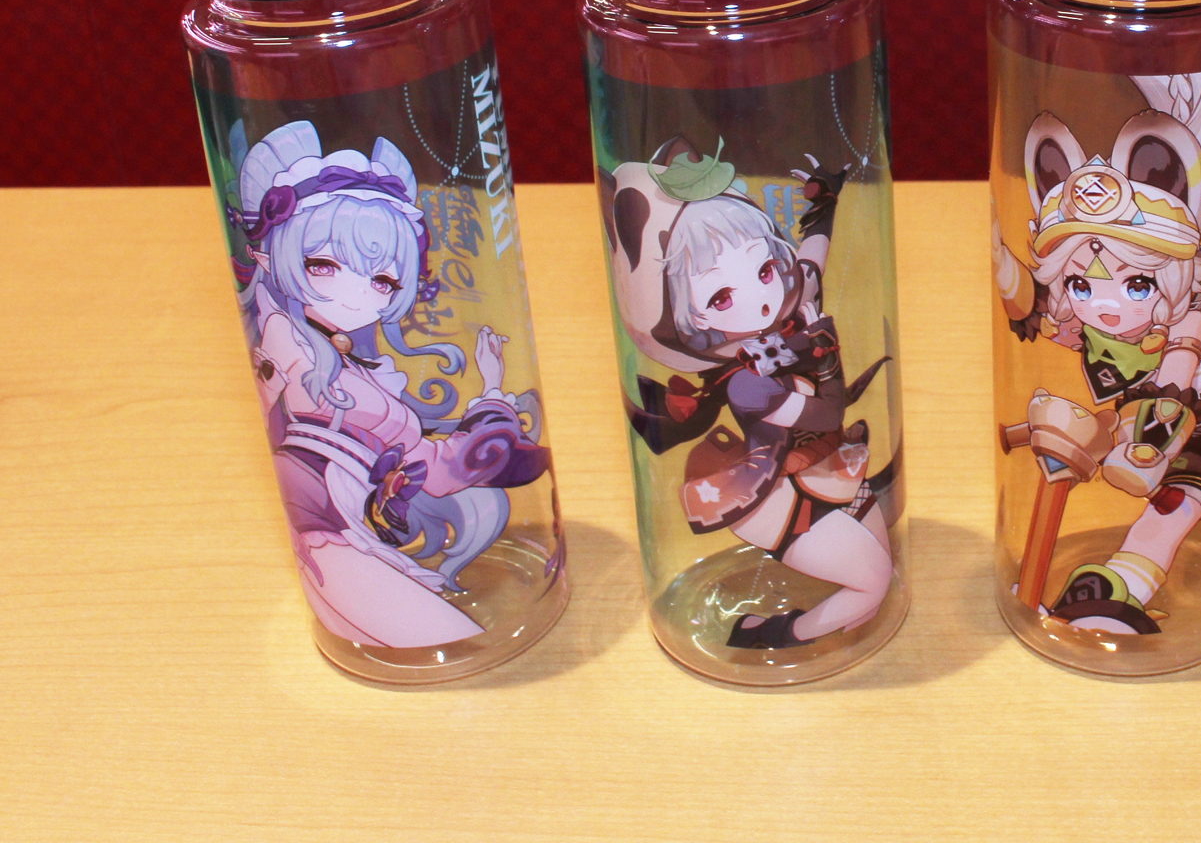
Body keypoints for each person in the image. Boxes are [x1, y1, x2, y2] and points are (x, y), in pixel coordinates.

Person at [231, 121, 549, 649]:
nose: (358, 295)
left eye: (382, 281)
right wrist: (492, 396)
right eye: (323, 265)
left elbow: (431, 468)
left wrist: (493, 389)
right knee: (431, 631)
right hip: (331, 536)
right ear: (270, 259)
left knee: (444, 630)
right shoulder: (297, 355)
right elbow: (437, 469)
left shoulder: (346, 368)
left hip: (352, 534)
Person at [994, 60, 1201, 634]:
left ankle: (1117, 594)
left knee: (1172, 512)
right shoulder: (1090, 329)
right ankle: (1101, 589)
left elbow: (1171, 388)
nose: (1106, 306)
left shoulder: (1188, 325)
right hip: (1157, 430)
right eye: (1081, 285)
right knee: (1157, 504)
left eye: (1138, 284)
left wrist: (1145, 444)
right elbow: (1034, 309)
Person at [606, 140, 895, 650]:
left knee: (881, 580)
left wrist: (825, 201)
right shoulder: (747, 382)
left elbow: (811, 262)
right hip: (776, 495)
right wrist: (826, 356)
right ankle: (770, 637)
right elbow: (827, 414)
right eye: (721, 297)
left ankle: (813, 636)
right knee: (872, 582)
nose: (762, 298)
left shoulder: (793, 311)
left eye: (764, 271)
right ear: (688, 317)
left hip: (828, 472)